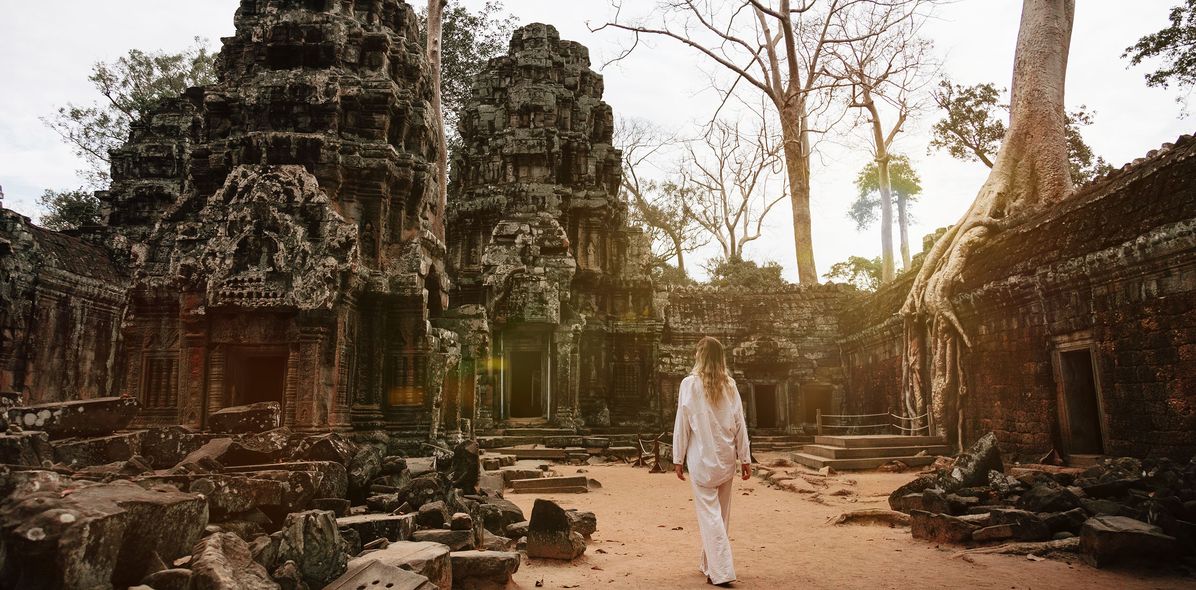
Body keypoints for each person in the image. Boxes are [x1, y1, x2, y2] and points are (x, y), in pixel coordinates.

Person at [672, 336, 751, 587]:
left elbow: (681, 424)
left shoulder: (689, 384)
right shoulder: (730, 384)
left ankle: (722, 571)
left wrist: (678, 457)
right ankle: (709, 564)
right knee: (721, 516)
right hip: (726, 458)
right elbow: (740, 424)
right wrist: (745, 456)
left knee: (710, 516)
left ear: (700, 356)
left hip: (701, 460)